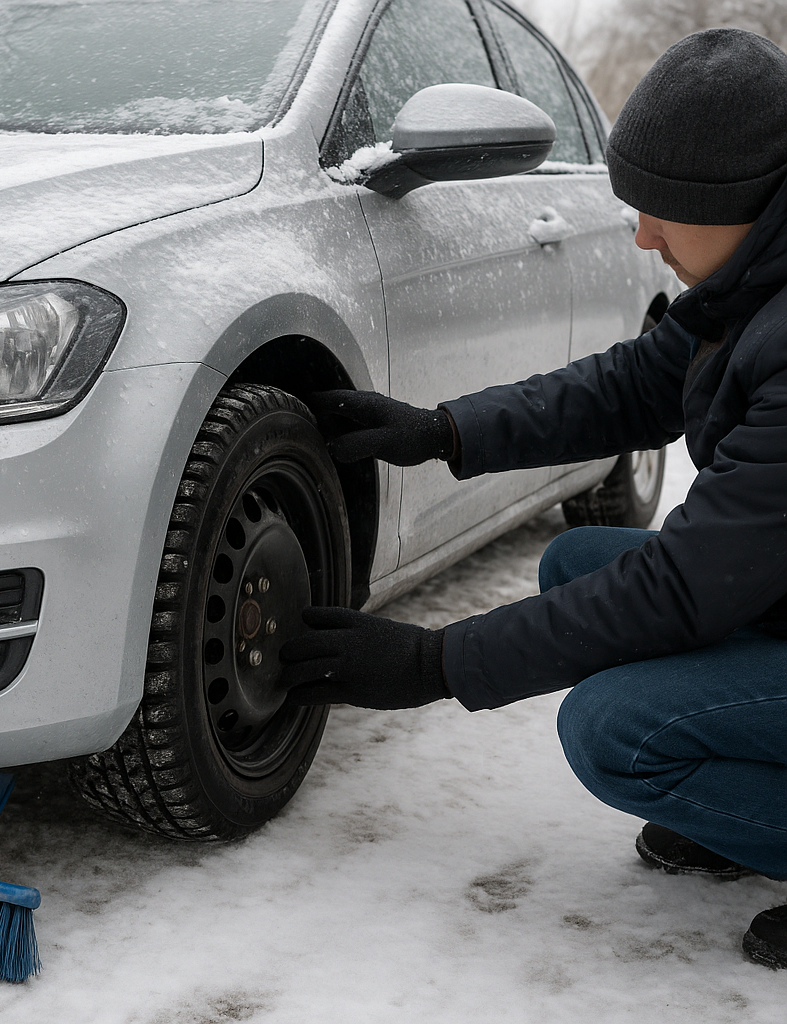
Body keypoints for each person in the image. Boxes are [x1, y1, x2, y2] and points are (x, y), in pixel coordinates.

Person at [278, 27, 787, 969]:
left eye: (665, 213)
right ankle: (742, 809)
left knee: (612, 733)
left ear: (741, 203)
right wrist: (444, 431)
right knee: (573, 563)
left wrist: (436, 664)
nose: (643, 235)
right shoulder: (753, 279)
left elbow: (684, 589)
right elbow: (632, 385)